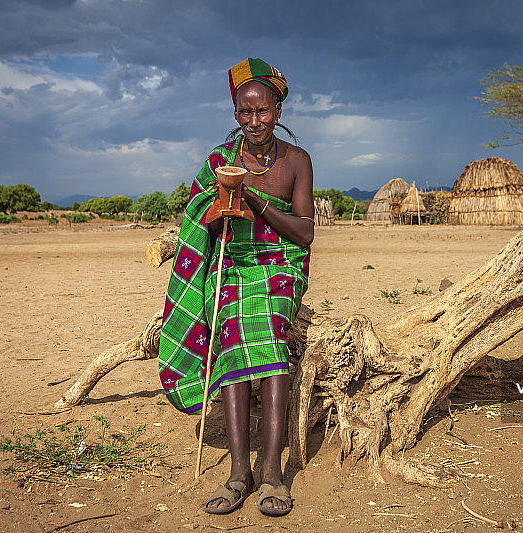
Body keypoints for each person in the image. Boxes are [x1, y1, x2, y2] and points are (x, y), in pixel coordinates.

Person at [158, 58, 314, 517]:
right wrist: (221, 205)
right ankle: (238, 474)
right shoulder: (219, 164)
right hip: (232, 263)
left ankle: (272, 474)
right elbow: (196, 220)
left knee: (264, 324)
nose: (254, 122)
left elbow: (304, 233)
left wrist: (253, 201)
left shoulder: (297, 161)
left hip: (279, 265)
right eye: (244, 114)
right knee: (228, 322)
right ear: (235, 115)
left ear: (278, 109)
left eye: (262, 111)